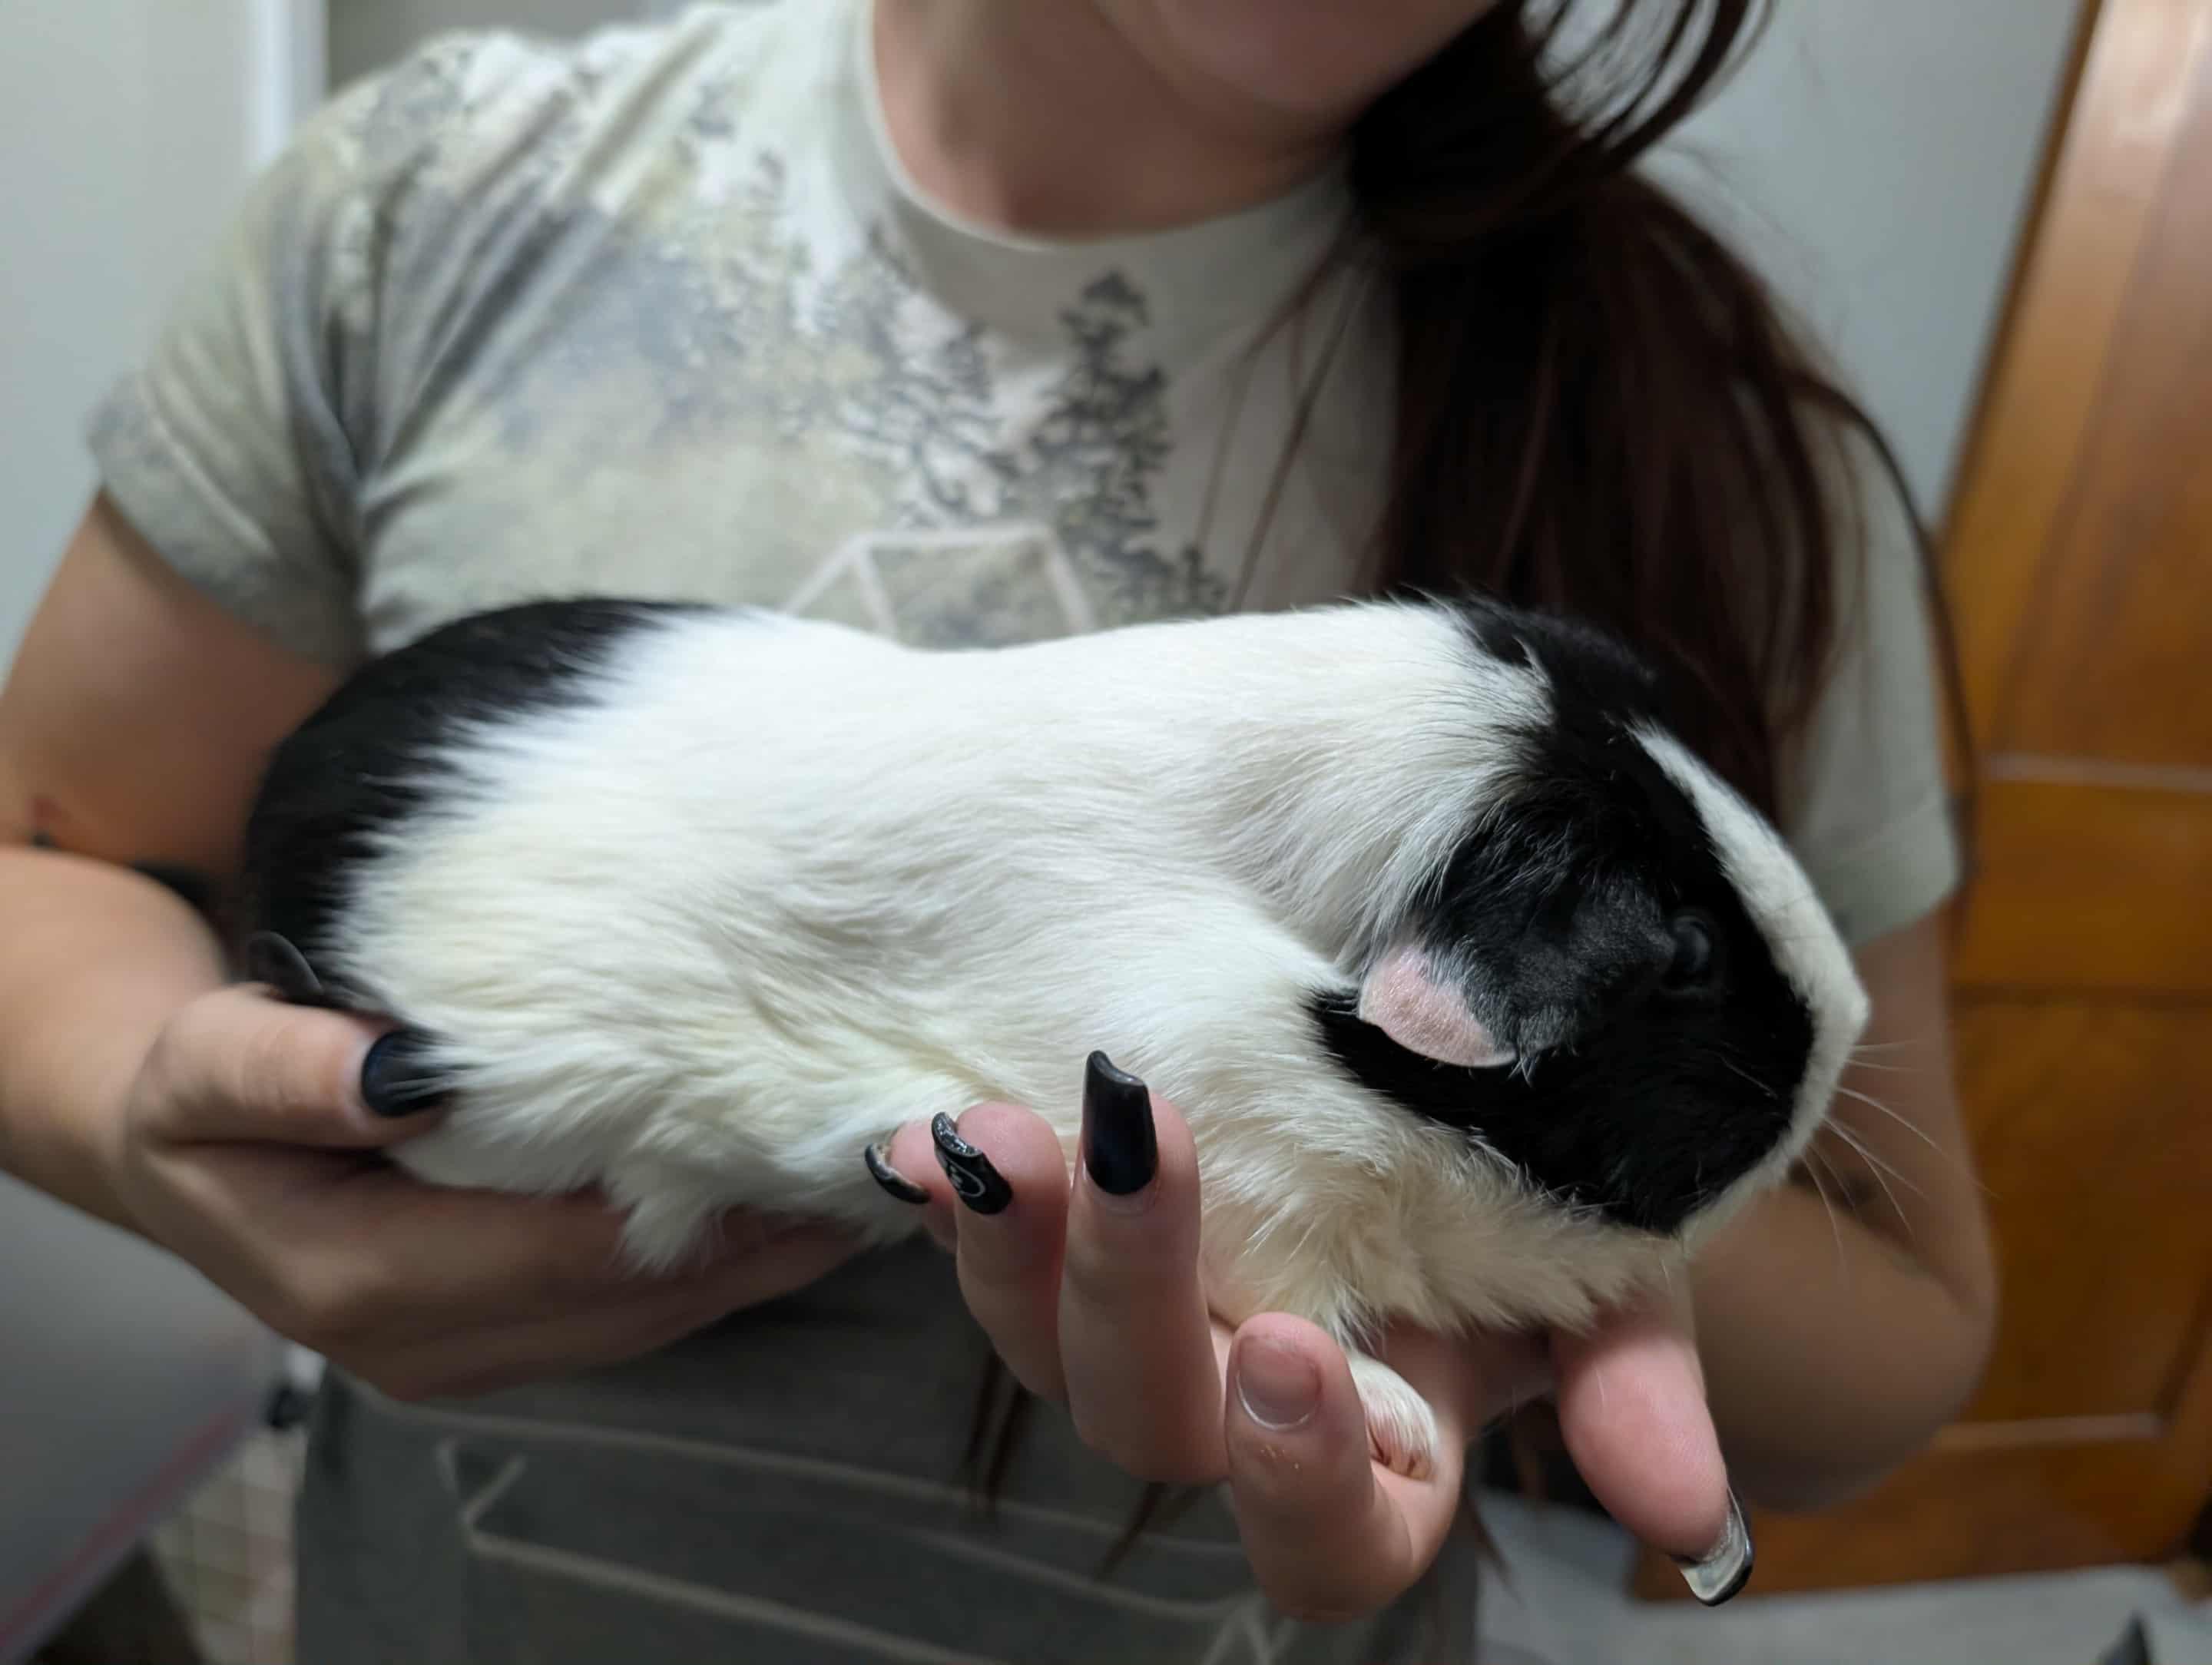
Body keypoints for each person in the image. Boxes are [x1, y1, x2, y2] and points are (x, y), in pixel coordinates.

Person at [0, 0, 1999, 1659]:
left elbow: (1908, 1331)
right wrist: (144, 1125)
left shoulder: (1726, 442)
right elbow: (45, 842)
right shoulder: (440, 203)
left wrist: (1527, 1256)